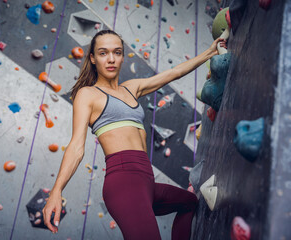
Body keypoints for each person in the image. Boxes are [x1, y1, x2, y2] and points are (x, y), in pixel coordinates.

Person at [42, 29, 226, 239]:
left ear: (122, 56)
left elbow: (173, 73)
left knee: (189, 203)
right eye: (103, 53)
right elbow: (76, 146)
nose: (111, 59)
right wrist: (57, 190)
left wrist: (210, 53)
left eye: (117, 52)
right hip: (124, 182)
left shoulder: (131, 88)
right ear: (92, 58)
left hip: (145, 180)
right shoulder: (88, 94)